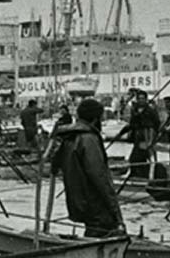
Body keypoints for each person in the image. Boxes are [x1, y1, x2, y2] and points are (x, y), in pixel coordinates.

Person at [54, 97, 125, 236]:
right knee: (103, 231)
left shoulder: (69, 137)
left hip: (79, 201)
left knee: (94, 230)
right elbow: (99, 176)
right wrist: (114, 209)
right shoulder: (88, 139)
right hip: (94, 203)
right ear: (95, 118)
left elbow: (55, 164)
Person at [116, 88, 159, 179]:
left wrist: (151, 140)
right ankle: (136, 175)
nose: (141, 100)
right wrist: (121, 133)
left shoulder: (150, 111)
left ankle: (152, 178)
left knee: (151, 159)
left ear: (146, 99)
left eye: (143, 98)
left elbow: (154, 125)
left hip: (147, 138)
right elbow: (132, 124)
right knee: (135, 159)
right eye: (139, 98)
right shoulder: (135, 110)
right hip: (138, 138)